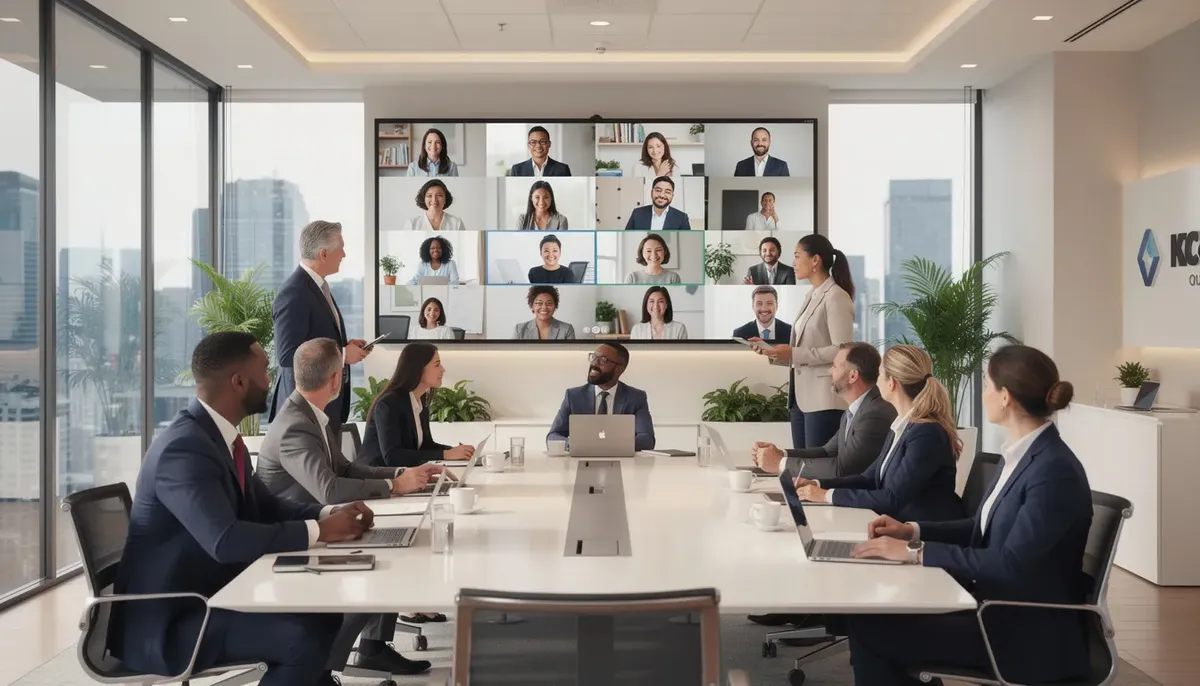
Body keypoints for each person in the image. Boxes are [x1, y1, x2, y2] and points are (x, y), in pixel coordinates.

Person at [112, 332, 379, 686]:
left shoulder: (219, 438)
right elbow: (225, 540)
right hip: (171, 622)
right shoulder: (184, 448)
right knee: (300, 640)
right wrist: (319, 532)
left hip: (209, 596)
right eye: (264, 371)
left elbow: (265, 505)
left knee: (325, 616)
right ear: (238, 382)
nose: (271, 381)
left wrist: (327, 515)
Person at [846, 345, 1092, 686]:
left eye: (988, 385)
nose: (984, 393)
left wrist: (915, 554)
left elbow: (1010, 563)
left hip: (1022, 631)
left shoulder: (1053, 470)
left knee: (869, 628)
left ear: (1005, 397)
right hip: (995, 609)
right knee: (876, 618)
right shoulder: (1023, 456)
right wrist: (911, 531)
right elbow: (980, 529)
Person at [256, 338, 442, 674]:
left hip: (321, 524)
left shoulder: (311, 415)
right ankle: (317, 671)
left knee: (396, 546)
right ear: (335, 378)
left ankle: (371, 648)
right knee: (381, 566)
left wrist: (401, 475)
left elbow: (345, 469)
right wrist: (392, 486)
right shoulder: (295, 426)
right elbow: (328, 489)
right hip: (291, 538)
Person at [791, 344, 964, 522]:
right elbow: (869, 479)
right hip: (896, 526)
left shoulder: (926, 433)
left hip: (921, 536)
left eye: (880, 374)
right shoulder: (901, 426)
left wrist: (826, 496)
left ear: (892, 383)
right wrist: (818, 484)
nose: (875, 380)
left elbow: (892, 498)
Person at [753, 234, 854, 449]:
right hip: (800, 399)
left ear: (815, 260)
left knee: (817, 468)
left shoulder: (836, 296)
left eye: (797, 256)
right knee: (801, 466)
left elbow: (842, 351)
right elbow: (802, 349)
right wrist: (773, 353)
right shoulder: (812, 295)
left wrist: (793, 353)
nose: (793, 263)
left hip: (823, 400)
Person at [271, 220, 368, 434]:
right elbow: (287, 356)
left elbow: (316, 337)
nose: (344, 255)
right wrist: (342, 355)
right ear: (323, 254)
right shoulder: (294, 292)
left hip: (323, 408)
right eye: (341, 249)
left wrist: (344, 345)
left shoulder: (317, 286)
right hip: (304, 414)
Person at [753, 342, 896, 480]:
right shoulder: (856, 409)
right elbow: (827, 452)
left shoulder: (874, 414)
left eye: (834, 366)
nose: (830, 371)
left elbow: (843, 470)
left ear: (853, 375)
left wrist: (780, 463)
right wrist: (781, 454)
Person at [357, 342, 475, 469]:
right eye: (437, 364)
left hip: (404, 476)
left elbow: (426, 446)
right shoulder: (388, 404)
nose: (442, 369)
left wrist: (456, 451)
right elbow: (392, 456)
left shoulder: (420, 401)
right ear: (418, 369)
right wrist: (446, 454)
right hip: (377, 479)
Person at [547, 343, 655, 451]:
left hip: (622, 462)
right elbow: (553, 436)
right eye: (593, 357)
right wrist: (572, 444)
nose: (594, 363)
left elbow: (647, 439)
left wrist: (607, 446)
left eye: (602, 360)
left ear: (619, 369)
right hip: (581, 462)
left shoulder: (636, 398)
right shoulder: (573, 396)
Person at [624, 176, 692, 230]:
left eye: (667, 192)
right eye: (658, 190)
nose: (662, 195)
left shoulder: (682, 218)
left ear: (672, 196)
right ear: (651, 193)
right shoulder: (637, 213)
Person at [512, 286, 576, 340]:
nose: (544, 307)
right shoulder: (519, 329)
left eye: (549, 303)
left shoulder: (567, 329)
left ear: (555, 306)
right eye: (539, 303)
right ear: (532, 306)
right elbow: (513, 353)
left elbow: (570, 354)